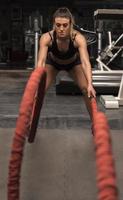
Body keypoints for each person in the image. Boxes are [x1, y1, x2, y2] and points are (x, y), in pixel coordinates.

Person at [37, 7, 96, 119]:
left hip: (73, 64)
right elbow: (41, 62)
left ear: (71, 24)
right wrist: (37, 84)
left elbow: (85, 62)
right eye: (58, 25)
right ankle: (31, 124)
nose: (61, 29)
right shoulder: (46, 38)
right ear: (54, 24)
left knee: (87, 91)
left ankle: (96, 124)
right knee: (39, 93)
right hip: (53, 63)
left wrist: (90, 84)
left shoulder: (78, 38)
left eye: (65, 25)